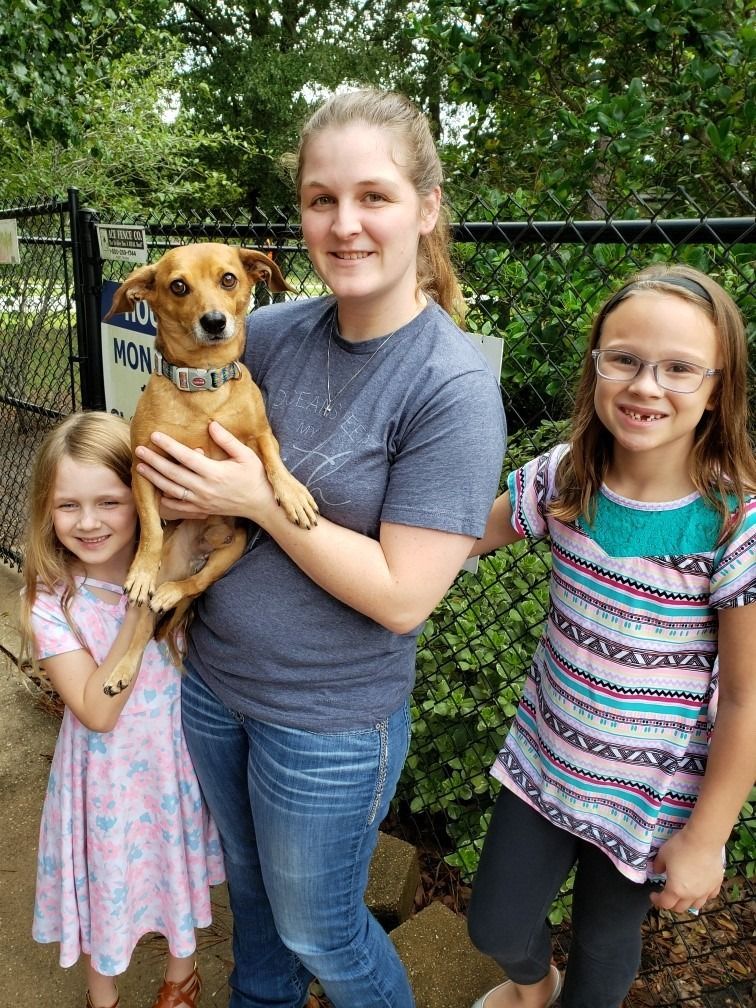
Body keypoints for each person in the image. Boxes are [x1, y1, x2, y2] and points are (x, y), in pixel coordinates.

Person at [131, 88, 506, 1008]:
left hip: (328, 724)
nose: (344, 224)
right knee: (252, 903)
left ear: (425, 208)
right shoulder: (270, 332)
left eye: (373, 196)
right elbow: (171, 424)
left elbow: (403, 597)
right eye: (321, 199)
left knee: (319, 928)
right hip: (216, 689)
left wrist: (256, 500)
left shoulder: (449, 387)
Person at [466, 264, 756, 1008]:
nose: (646, 385)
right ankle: (533, 988)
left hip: (648, 797)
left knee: (604, 952)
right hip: (546, 761)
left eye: (680, 368)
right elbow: (455, 540)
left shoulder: (736, 525)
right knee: (496, 926)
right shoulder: (565, 478)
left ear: (719, 387)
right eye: (624, 359)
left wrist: (707, 836)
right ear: (595, 365)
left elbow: (746, 702)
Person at [20, 411, 225, 1008]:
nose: (88, 523)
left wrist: (173, 566)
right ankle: (101, 996)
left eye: (109, 501)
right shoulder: (52, 600)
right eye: (67, 506)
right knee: (108, 887)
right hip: (103, 783)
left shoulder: (190, 574)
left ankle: (180, 982)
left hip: (172, 768)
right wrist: (145, 595)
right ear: (46, 509)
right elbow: (96, 710)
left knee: (172, 871)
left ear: (141, 498)